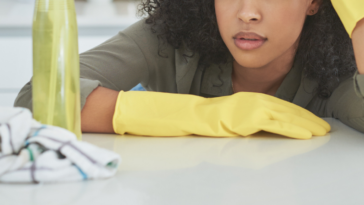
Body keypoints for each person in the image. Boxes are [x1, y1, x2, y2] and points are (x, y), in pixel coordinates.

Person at [14, 0, 364, 138]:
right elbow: (39, 96)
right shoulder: (170, 39)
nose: (247, 13)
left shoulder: (338, 72)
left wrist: (360, 19)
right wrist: (203, 114)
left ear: (315, 2)